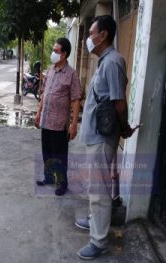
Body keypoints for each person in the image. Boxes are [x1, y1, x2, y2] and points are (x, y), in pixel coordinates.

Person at [76, 15, 136, 260]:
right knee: (96, 184)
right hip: (96, 134)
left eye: (91, 33)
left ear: (103, 36)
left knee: (99, 189)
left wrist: (124, 129)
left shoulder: (112, 62)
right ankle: (95, 221)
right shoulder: (104, 61)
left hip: (103, 137)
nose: (89, 38)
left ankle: (98, 241)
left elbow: (119, 103)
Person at [35, 38, 81, 196]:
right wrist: (38, 112)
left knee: (59, 155)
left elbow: (75, 100)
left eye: (56, 51)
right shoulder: (50, 70)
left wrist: (73, 124)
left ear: (64, 54)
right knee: (46, 152)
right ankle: (48, 177)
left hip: (59, 124)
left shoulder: (71, 74)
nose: (53, 53)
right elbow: (44, 94)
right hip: (46, 121)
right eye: (53, 50)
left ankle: (62, 182)